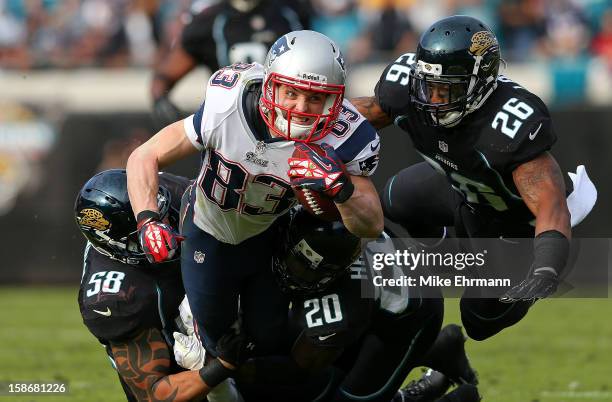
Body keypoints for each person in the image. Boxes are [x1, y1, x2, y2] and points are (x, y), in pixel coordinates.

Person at [127, 29, 384, 387]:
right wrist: (147, 219)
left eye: (315, 99)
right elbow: (145, 154)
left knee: (266, 341)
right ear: (269, 85)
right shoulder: (230, 101)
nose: (299, 108)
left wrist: (342, 186)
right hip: (207, 230)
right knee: (215, 348)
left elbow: (371, 224)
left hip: (267, 237)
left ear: (335, 101)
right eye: (291, 92)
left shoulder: (346, 136)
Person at [350, 15, 582, 342]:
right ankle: (455, 257)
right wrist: (309, 125)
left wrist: (546, 267)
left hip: (516, 224)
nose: (431, 98)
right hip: (464, 191)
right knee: (396, 198)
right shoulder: (406, 90)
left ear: (481, 81)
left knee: (478, 323)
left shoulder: (508, 123)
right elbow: (361, 116)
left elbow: (551, 203)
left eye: (445, 89)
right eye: (427, 85)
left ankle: (499, 271)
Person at [172, 207, 479, 402]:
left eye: (306, 269)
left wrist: (230, 368)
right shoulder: (296, 219)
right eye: (294, 258)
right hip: (385, 274)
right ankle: (443, 349)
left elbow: (298, 369)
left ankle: (446, 397)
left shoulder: (341, 307)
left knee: (350, 397)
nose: (292, 272)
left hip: (409, 314)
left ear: (335, 272)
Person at [75, 169, 242, 402]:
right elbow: (155, 394)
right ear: (116, 244)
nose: (164, 229)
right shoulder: (113, 297)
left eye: (160, 216)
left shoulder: (167, 189)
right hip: (182, 368)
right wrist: (223, 364)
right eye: (141, 234)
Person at [151, 0, 310, 127]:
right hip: (230, 124)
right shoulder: (209, 20)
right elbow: (165, 75)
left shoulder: (290, 12)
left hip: (284, 119)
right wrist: (161, 100)